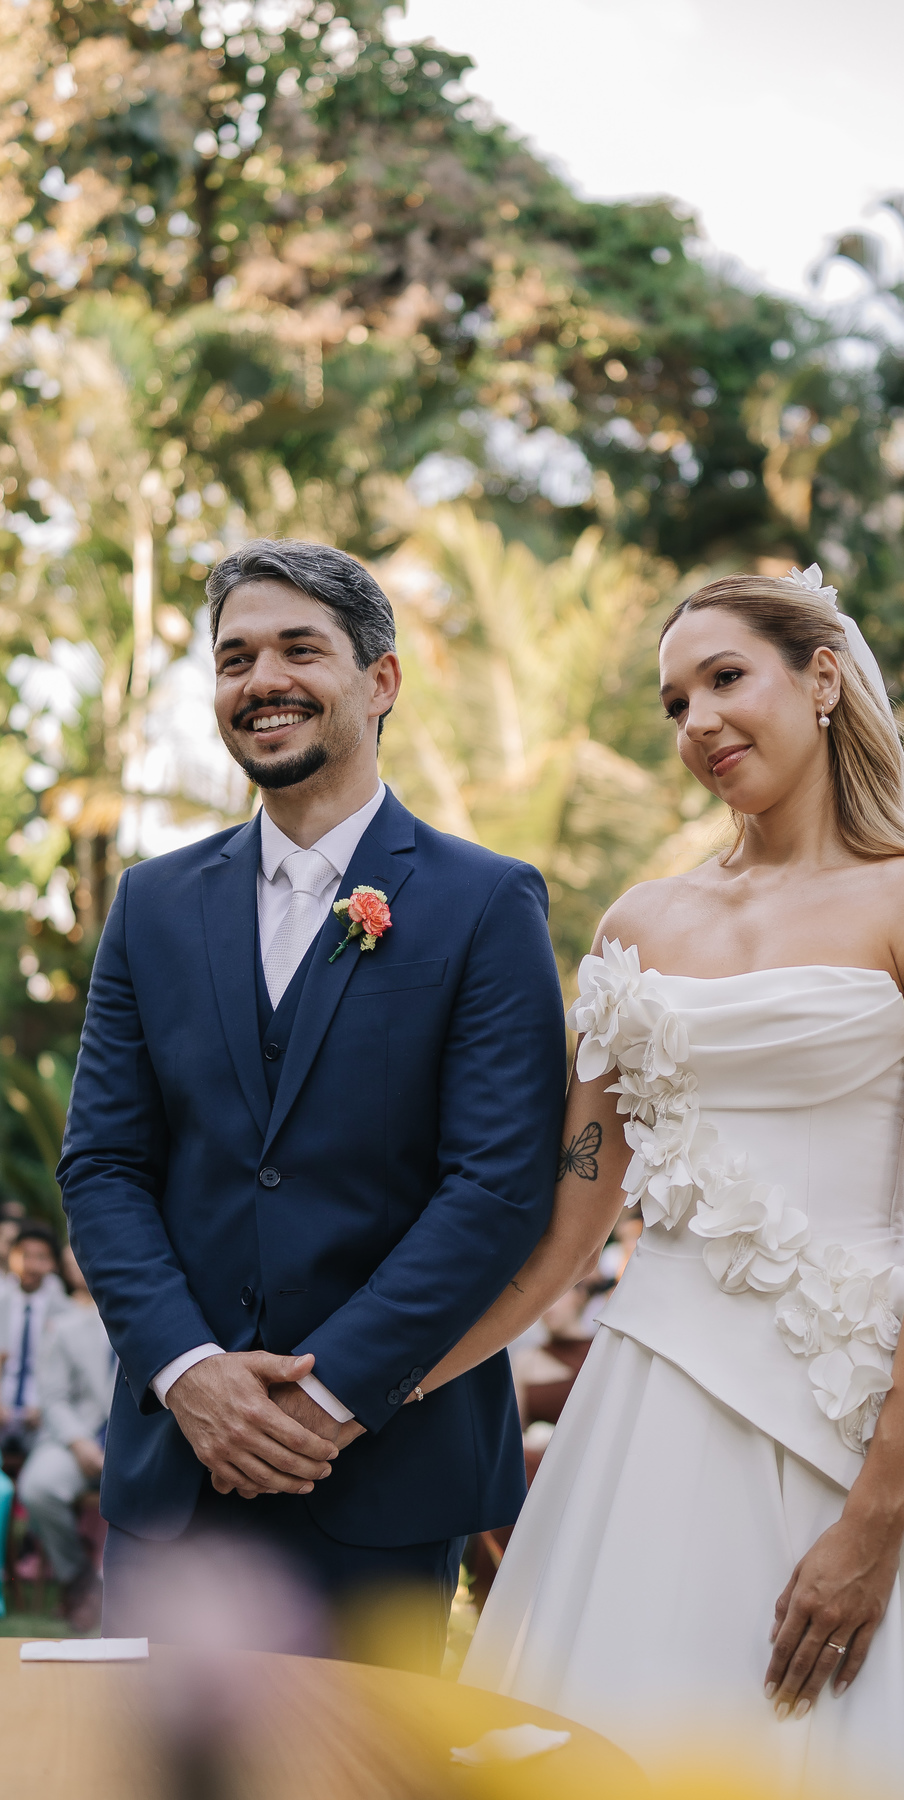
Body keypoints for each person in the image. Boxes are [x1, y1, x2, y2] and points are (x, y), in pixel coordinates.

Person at [441, 567, 904, 1796]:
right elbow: (571, 1223)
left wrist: (875, 1521)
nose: (699, 723)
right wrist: (398, 1379)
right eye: (676, 703)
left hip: (863, 1425)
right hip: (653, 1416)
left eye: (726, 678)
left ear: (822, 678)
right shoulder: (637, 925)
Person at [59, 539, 565, 1665]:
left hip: (385, 1468)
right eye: (235, 658)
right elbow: (103, 1166)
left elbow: (496, 1186)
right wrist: (189, 1373)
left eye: (300, 649)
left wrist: (326, 1395)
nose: (263, 680)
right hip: (178, 1466)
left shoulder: (488, 903)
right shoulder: (149, 905)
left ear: (380, 681)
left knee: (354, 1760)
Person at [16, 1247, 115, 1629]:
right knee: (39, 1485)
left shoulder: (160, 1320)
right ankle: (80, 1580)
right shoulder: (65, 1326)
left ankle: (125, 1587)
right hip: (81, 1437)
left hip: (138, 1443)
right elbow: (53, 1397)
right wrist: (78, 1442)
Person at [0, 1222, 70, 1457]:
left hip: (42, 1415)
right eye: (24, 1255)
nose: (31, 1265)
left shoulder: (65, 1312)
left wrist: (42, 1406)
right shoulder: (2, 1300)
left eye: (41, 1257)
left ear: (54, 1264)